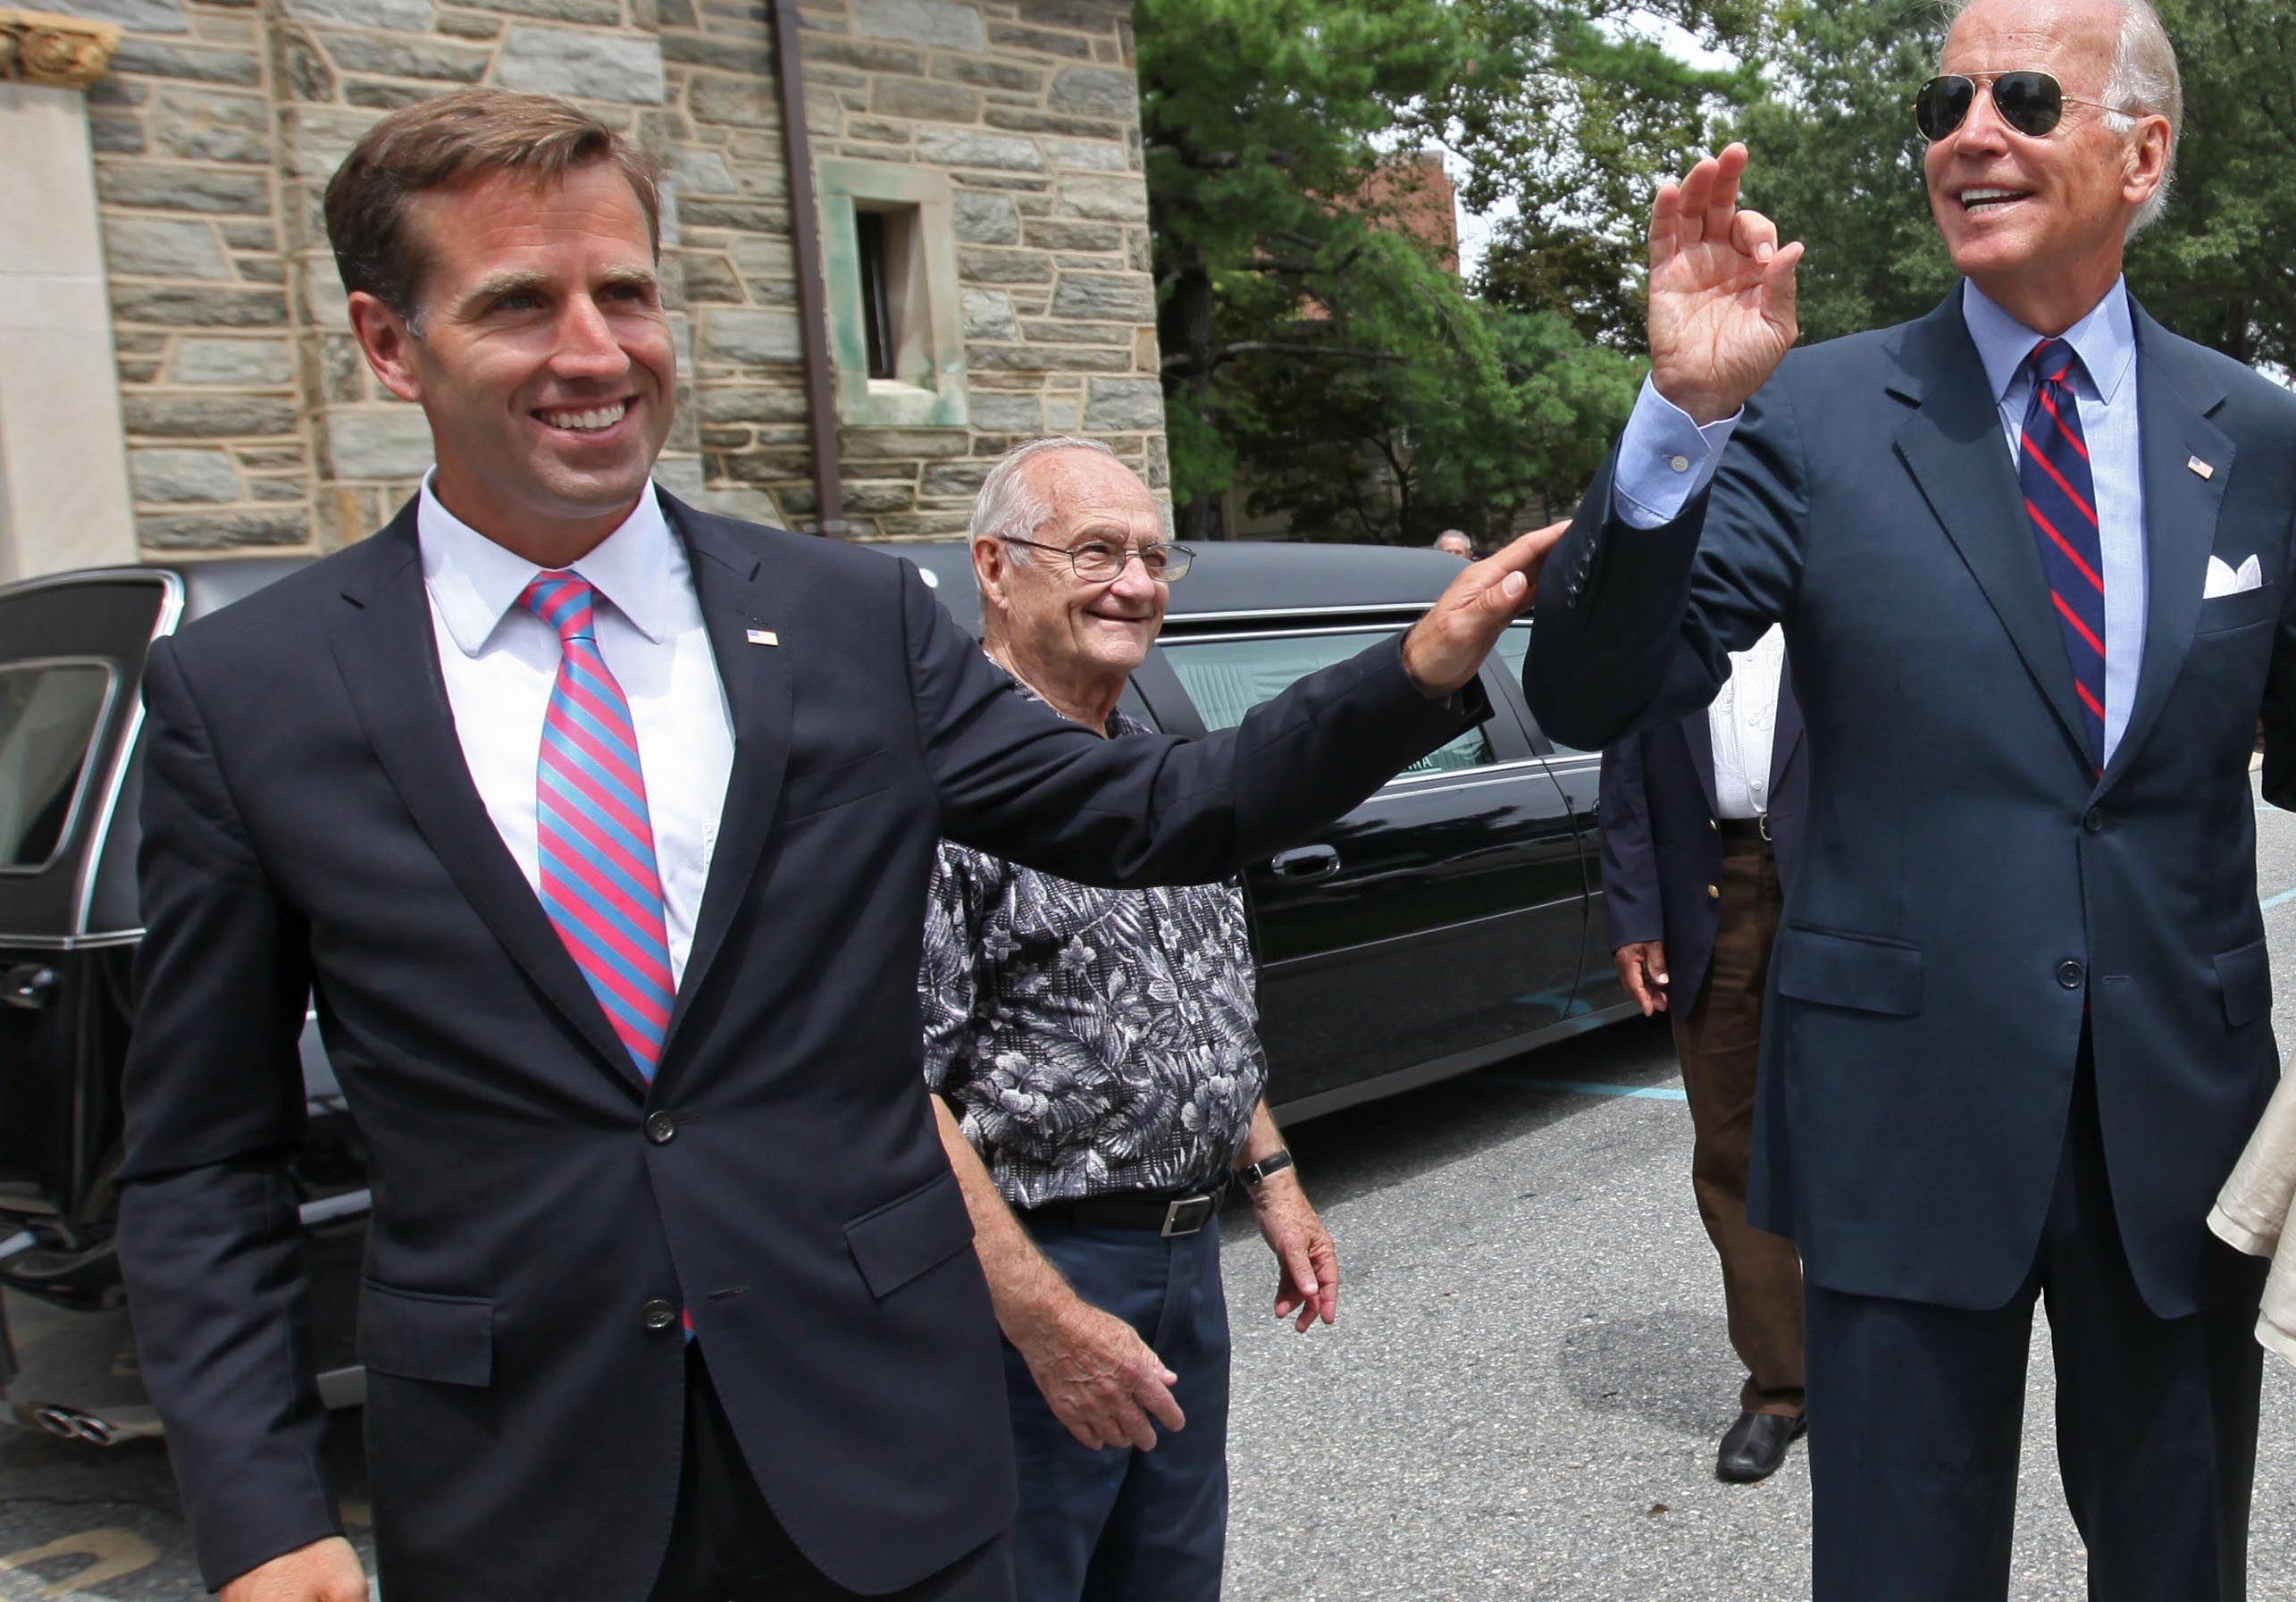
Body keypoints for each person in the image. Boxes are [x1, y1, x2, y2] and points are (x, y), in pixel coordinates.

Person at [112, 88, 1556, 1602]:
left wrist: (1419, 667)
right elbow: (204, 1157)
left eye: (626, 293)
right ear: (388, 341)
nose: (595, 351)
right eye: (519, 303)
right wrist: (263, 1511)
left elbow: (1154, 813)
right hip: (523, 1489)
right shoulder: (252, 692)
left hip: (878, 1457)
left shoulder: (845, 620)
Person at [1520, 0, 2296, 1594]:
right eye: (1944, 104)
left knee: (2175, 1561)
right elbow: (1595, 690)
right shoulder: (1809, 412)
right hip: (1900, 1117)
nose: (1968, 134)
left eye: (2020, 98)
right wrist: (1677, 421)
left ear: (2142, 154)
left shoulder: (2262, 435)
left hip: (2175, 1119)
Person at [918, 436, 1348, 1601]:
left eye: (1155, 557)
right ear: (994, 568)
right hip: (1029, 1270)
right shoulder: (943, 797)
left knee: (1167, 1575)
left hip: (1182, 1258)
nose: (1134, 584)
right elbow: (890, 1090)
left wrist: (1272, 1176)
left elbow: (1196, 1007)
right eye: (1096, 552)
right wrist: (1042, 1316)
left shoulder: (1164, 774)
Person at [1597, 626, 1810, 1482]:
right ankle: (1781, 1386)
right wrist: (1635, 917)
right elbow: (1624, 785)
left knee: (1865, 1132)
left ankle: (1882, 1359)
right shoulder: (1658, 629)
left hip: (1837, 891)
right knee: (1731, 1149)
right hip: (1706, 896)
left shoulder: (1834, 598)